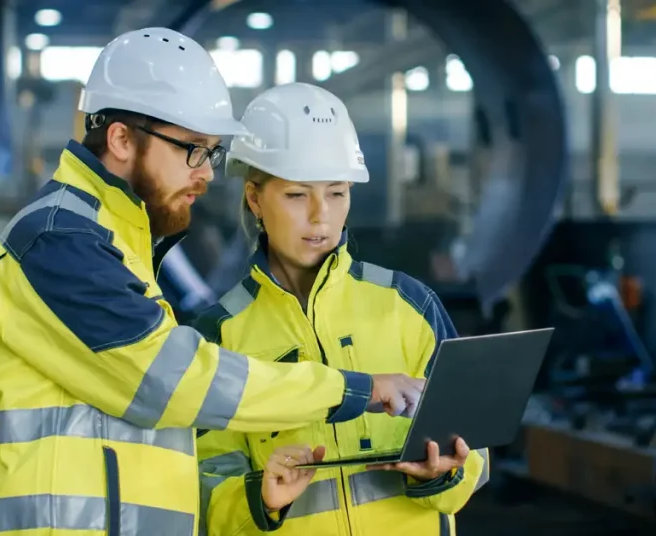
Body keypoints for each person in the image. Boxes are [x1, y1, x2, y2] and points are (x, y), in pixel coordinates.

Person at [0, 28, 424, 536]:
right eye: (192, 149)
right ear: (120, 138)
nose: (204, 173)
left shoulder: (118, 243)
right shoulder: (58, 241)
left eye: (210, 153)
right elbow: (172, 381)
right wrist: (351, 389)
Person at [192, 83, 489, 536]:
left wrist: (446, 472)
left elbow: (476, 456)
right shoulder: (220, 335)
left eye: (336, 193)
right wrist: (260, 498)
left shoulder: (409, 305)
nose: (321, 217)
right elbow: (205, 493)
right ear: (255, 198)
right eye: (297, 195)